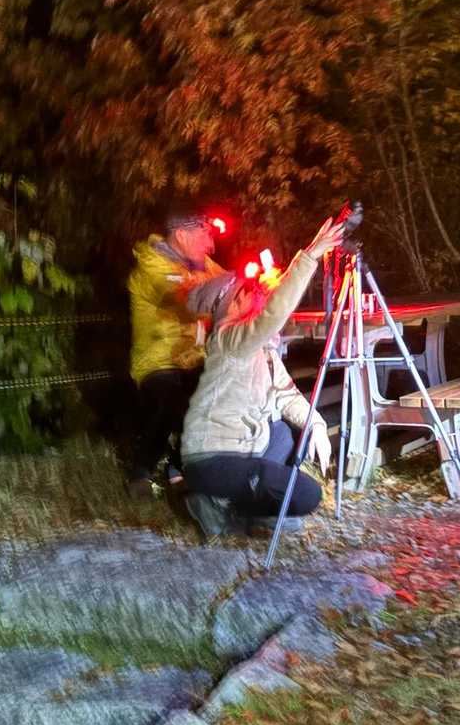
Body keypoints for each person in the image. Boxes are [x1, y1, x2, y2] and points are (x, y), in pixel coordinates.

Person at [179, 216, 346, 536]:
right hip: (213, 460)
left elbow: (287, 396)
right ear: (231, 306)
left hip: (241, 454)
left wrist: (318, 425)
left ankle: (240, 509)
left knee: (286, 432)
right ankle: (219, 503)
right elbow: (273, 315)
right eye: (246, 292)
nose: (255, 294)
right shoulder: (229, 340)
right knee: (308, 495)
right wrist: (311, 255)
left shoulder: (262, 352)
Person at [126, 209, 224, 491]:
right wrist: (230, 285)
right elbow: (191, 298)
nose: (211, 246)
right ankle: (141, 471)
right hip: (158, 361)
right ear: (181, 235)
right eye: (205, 236)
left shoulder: (201, 264)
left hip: (193, 358)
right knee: (169, 398)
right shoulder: (151, 266)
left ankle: (179, 466)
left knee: (219, 391)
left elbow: (227, 285)